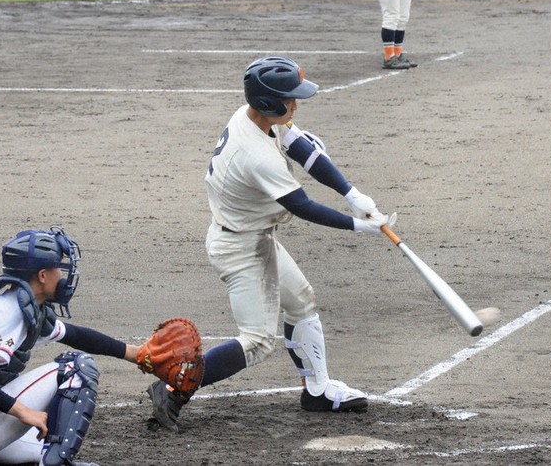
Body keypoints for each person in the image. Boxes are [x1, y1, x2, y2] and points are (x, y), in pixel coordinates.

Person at [146, 56, 394, 432]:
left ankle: (317, 390)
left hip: (253, 236)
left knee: (301, 302)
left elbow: (301, 147)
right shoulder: (256, 155)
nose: (295, 104)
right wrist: (358, 226)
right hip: (240, 248)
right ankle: (171, 388)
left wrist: (351, 193)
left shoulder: (255, 119)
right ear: (267, 103)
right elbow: (301, 205)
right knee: (258, 342)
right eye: (289, 98)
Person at [0, 226, 141, 466]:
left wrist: (134, 353)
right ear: (42, 275)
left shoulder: (23, 307)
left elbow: (75, 335)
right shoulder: (7, 313)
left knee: (40, 447)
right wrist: (21, 410)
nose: (63, 276)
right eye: (58, 268)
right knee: (76, 367)